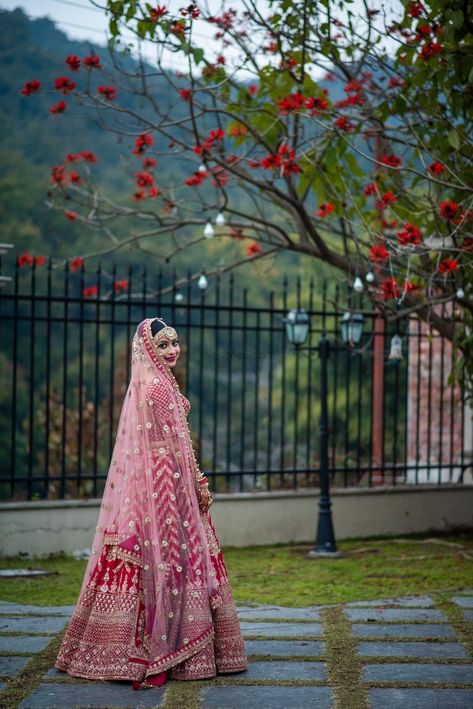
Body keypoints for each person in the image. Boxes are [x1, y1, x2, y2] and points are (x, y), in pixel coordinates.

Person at [55, 317, 247, 688]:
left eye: (174, 343)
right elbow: (178, 445)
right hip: (167, 479)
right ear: (147, 348)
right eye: (163, 345)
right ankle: (180, 647)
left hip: (148, 481)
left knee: (140, 552)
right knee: (178, 554)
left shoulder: (144, 382)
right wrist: (197, 482)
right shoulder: (158, 386)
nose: (172, 350)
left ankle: (110, 647)